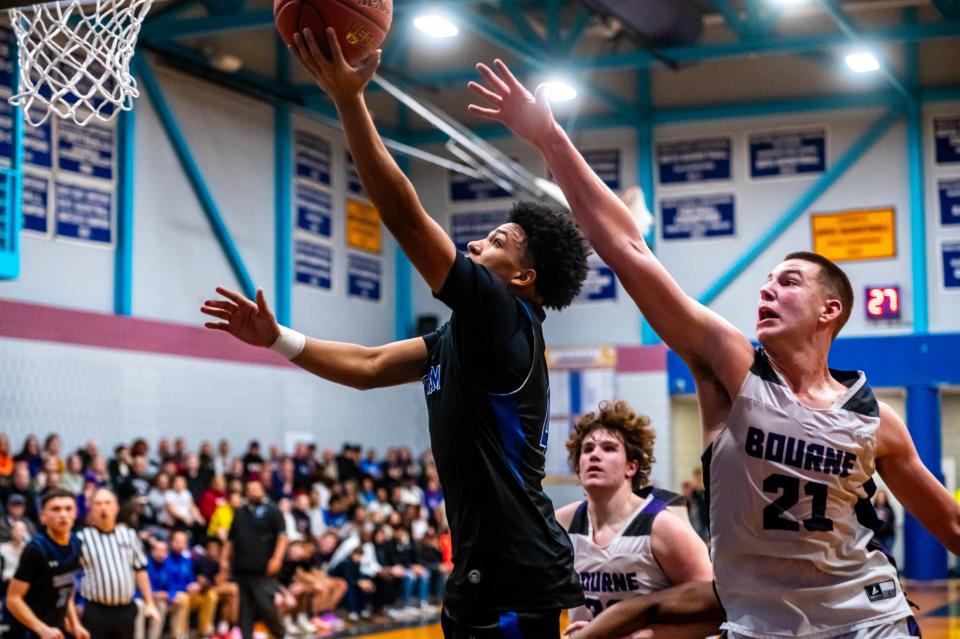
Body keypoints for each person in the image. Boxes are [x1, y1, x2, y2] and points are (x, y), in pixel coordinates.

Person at [469, 59, 960, 638]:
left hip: (869, 621)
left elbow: (950, 523)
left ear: (831, 312)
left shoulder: (878, 421)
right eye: (767, 281)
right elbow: (630, 249)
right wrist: (551, 136)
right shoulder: (734, 368)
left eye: (790, 282)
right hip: (759, 626)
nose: (768, 288)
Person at [204, 27, 590, 638]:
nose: (473, 243)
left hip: (516, 571)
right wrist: (278, 339)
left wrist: (349, 98)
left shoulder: (503, 318)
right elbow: (367, 366)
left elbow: (407, 218)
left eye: (495, 243)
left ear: (523, 277)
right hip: (482, 569)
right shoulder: (467, 335)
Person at [555, 400, 715, 638]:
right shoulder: (563, 522)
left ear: (631, 467)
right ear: (578, 466)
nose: (595, 455)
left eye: (608, 448)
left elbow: (716, 611)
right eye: (587, 449)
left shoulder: (662, 527)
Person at [5, 488, 89, 639]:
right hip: (29, 630)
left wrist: (75, 624)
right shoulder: (36, 550)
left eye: (68, 509)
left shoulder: (77, 544)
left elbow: (66, 589)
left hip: (55, 628)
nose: (63, 514)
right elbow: (13, 599)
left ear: (75, 513)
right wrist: (41, 629)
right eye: (56, 509)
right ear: (43, 516)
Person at [77, 488, 160, 639]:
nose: (103, 507)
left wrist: (150, 603)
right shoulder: (82, 538)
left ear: (116, 507)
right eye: (98, 503)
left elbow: (140, 570)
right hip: (96, 611)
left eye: (107, 503)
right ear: (91, 509)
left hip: (125, 610)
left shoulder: (129, 535)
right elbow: (69, 576)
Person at [220, 479, 287, 639]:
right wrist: (224, 560)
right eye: (249, 489)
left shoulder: (272, 510)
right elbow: (230, 540)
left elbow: (282, 537)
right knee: (245, 610)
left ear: (263, 490)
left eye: (256, 488)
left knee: (266, 605)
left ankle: (280, 634)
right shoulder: (239, 513)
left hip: (263, 569)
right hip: (242, 568)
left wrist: (277, 558)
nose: (253, 492)